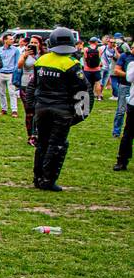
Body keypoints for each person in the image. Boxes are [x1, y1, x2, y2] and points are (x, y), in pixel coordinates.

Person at [34, 27, 88, 190]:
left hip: (42, 107)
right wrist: (81, 114)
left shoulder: (41, 60)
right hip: (62, 109)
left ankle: (37, 177)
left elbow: (34, 84)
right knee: (57, 144)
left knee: (42, 143)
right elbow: (82, 90)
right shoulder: (72, 64)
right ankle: (48, 180)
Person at [0, 34, 21, 118]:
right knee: (1, 92)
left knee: (12, 92)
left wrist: (14, 71)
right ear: (5, 40)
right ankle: (4, 109)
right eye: (10, 39)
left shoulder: (15, 50)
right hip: (0, 72)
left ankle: (14, 110)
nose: (12, 40)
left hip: (10, 73)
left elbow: (17, 62)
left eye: (12, 39)